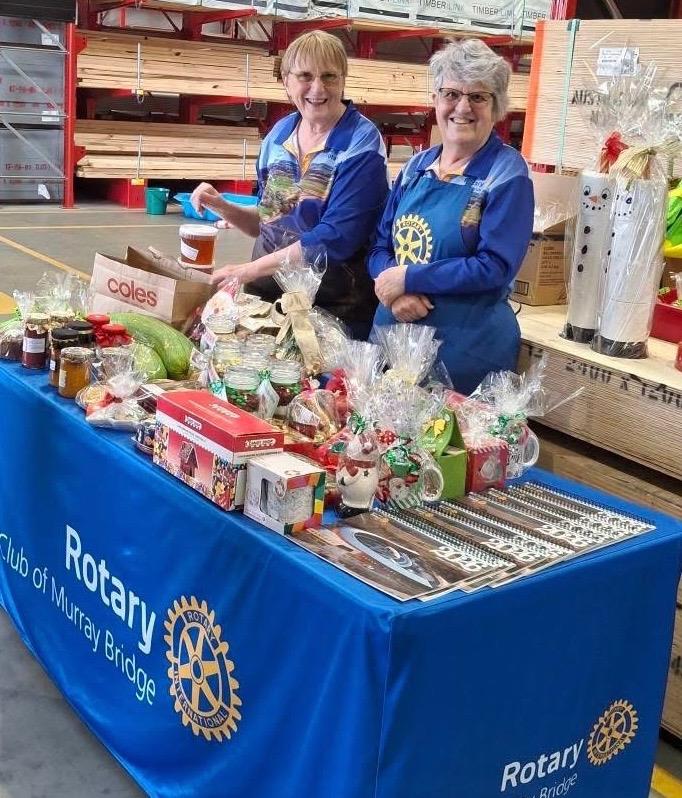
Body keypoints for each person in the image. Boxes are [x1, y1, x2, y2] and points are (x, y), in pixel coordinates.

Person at [191, 31, 389, 339]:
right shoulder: (279, 136)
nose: (317, 88)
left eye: (329, 76)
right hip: (266, 297)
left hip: (333, 306)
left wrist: (246, 271)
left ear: (343, 80)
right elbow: (268, 219)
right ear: (287, 81)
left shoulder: (361, 144)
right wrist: (222, 206)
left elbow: (335, 239)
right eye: (305, 76)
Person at [368, 38, 534, 394]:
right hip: (393, 335)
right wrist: (395, 292)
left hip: (464, 350)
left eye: (478, 96)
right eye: (451, 94)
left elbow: (494, 266)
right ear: (435, 100)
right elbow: (379, 246)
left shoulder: (507, 174)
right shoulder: (416, 167)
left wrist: (410, 278)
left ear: (497, 107)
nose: (463, 107)